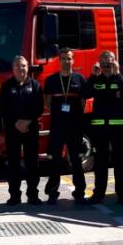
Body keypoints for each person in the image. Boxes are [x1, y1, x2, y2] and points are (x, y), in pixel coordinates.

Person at [82, 50, 123, 204]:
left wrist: (117, 74)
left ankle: (122, 194)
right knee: (100, 163)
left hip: (119, 129)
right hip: (100, 129)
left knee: (120, 162)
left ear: (114, 61)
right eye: (102, 61)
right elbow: (85, 93)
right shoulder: (96, 80)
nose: (105, 64)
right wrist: (92, 75)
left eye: (108, 60)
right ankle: (99, 194)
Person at [0, 55, 44, 206]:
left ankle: (33, 195)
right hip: (13, 130)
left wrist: (28, 121)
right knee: (13, 164)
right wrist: (15, 123)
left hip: (31, 129)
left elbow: (39, 107)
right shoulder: (6, 86)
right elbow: (2, 109)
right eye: (17, 66)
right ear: (13, 69)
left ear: (27, 67)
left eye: (23, 66)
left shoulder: (35, 85)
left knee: (32, 163)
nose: (20, 68)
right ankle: (14, 196)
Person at [43, 48, 87, 204]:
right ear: (59, 61)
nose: (66, 62)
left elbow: (83, 103)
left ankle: (80, 191)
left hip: (74, 127)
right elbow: (47, 101)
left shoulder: (80, 79)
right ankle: (52, 192)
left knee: (76, 159)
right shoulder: (51, 80)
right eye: (63, 58)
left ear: (73, 60)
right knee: (55, 160)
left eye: (69, 58)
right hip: (57, 127)